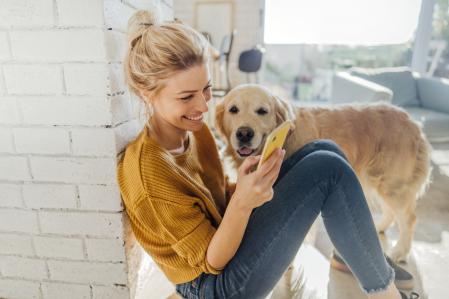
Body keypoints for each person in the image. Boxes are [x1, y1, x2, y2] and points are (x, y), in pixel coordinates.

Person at [116, 9, 420, 299]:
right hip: (215, 286)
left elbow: (217, 198)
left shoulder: (194, 131)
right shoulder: (149, 173)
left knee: (322, 150)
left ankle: (359, 257)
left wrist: (247, 187)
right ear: (147, 94)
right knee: (326, 168)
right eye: (186, 97)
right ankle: (386, 291)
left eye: (206, 89)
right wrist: (244, 202)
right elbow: (212, 261)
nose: (204, 106)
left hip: (227, 247)